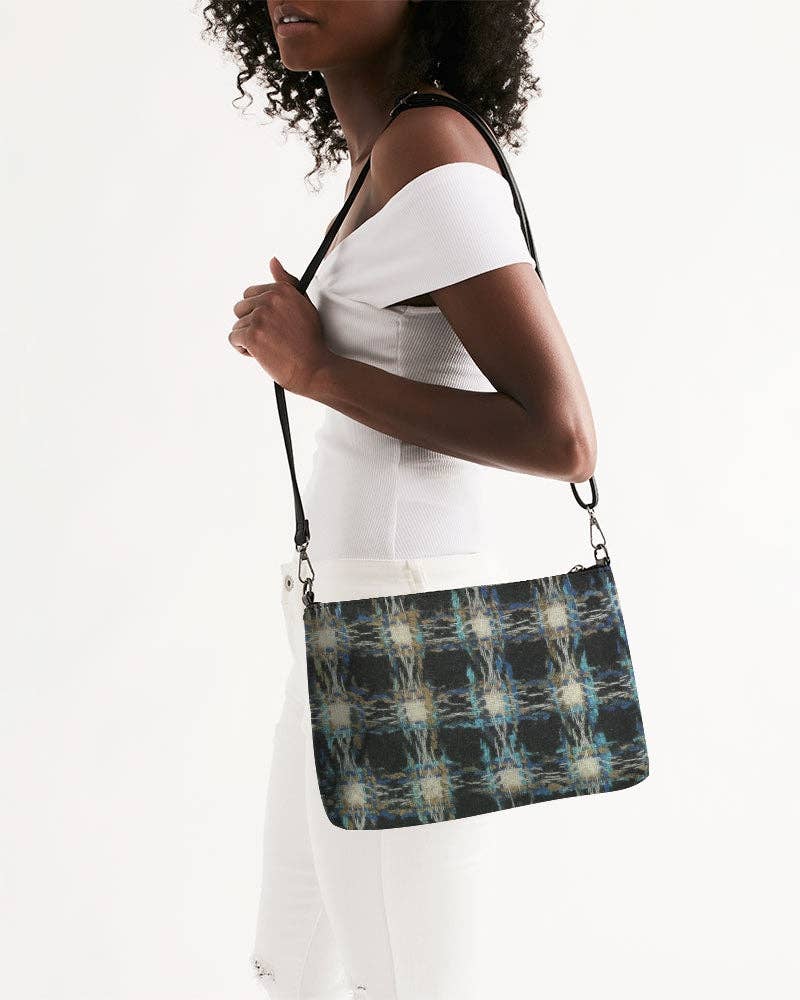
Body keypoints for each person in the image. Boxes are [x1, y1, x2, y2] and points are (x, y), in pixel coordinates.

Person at [203, 2, 597, 997]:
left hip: (408, 636)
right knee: (297, 962)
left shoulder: (427, 147)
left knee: (407, 979)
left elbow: (563, 436)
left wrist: (316, 370)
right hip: (352, 619)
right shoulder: (387, 148)